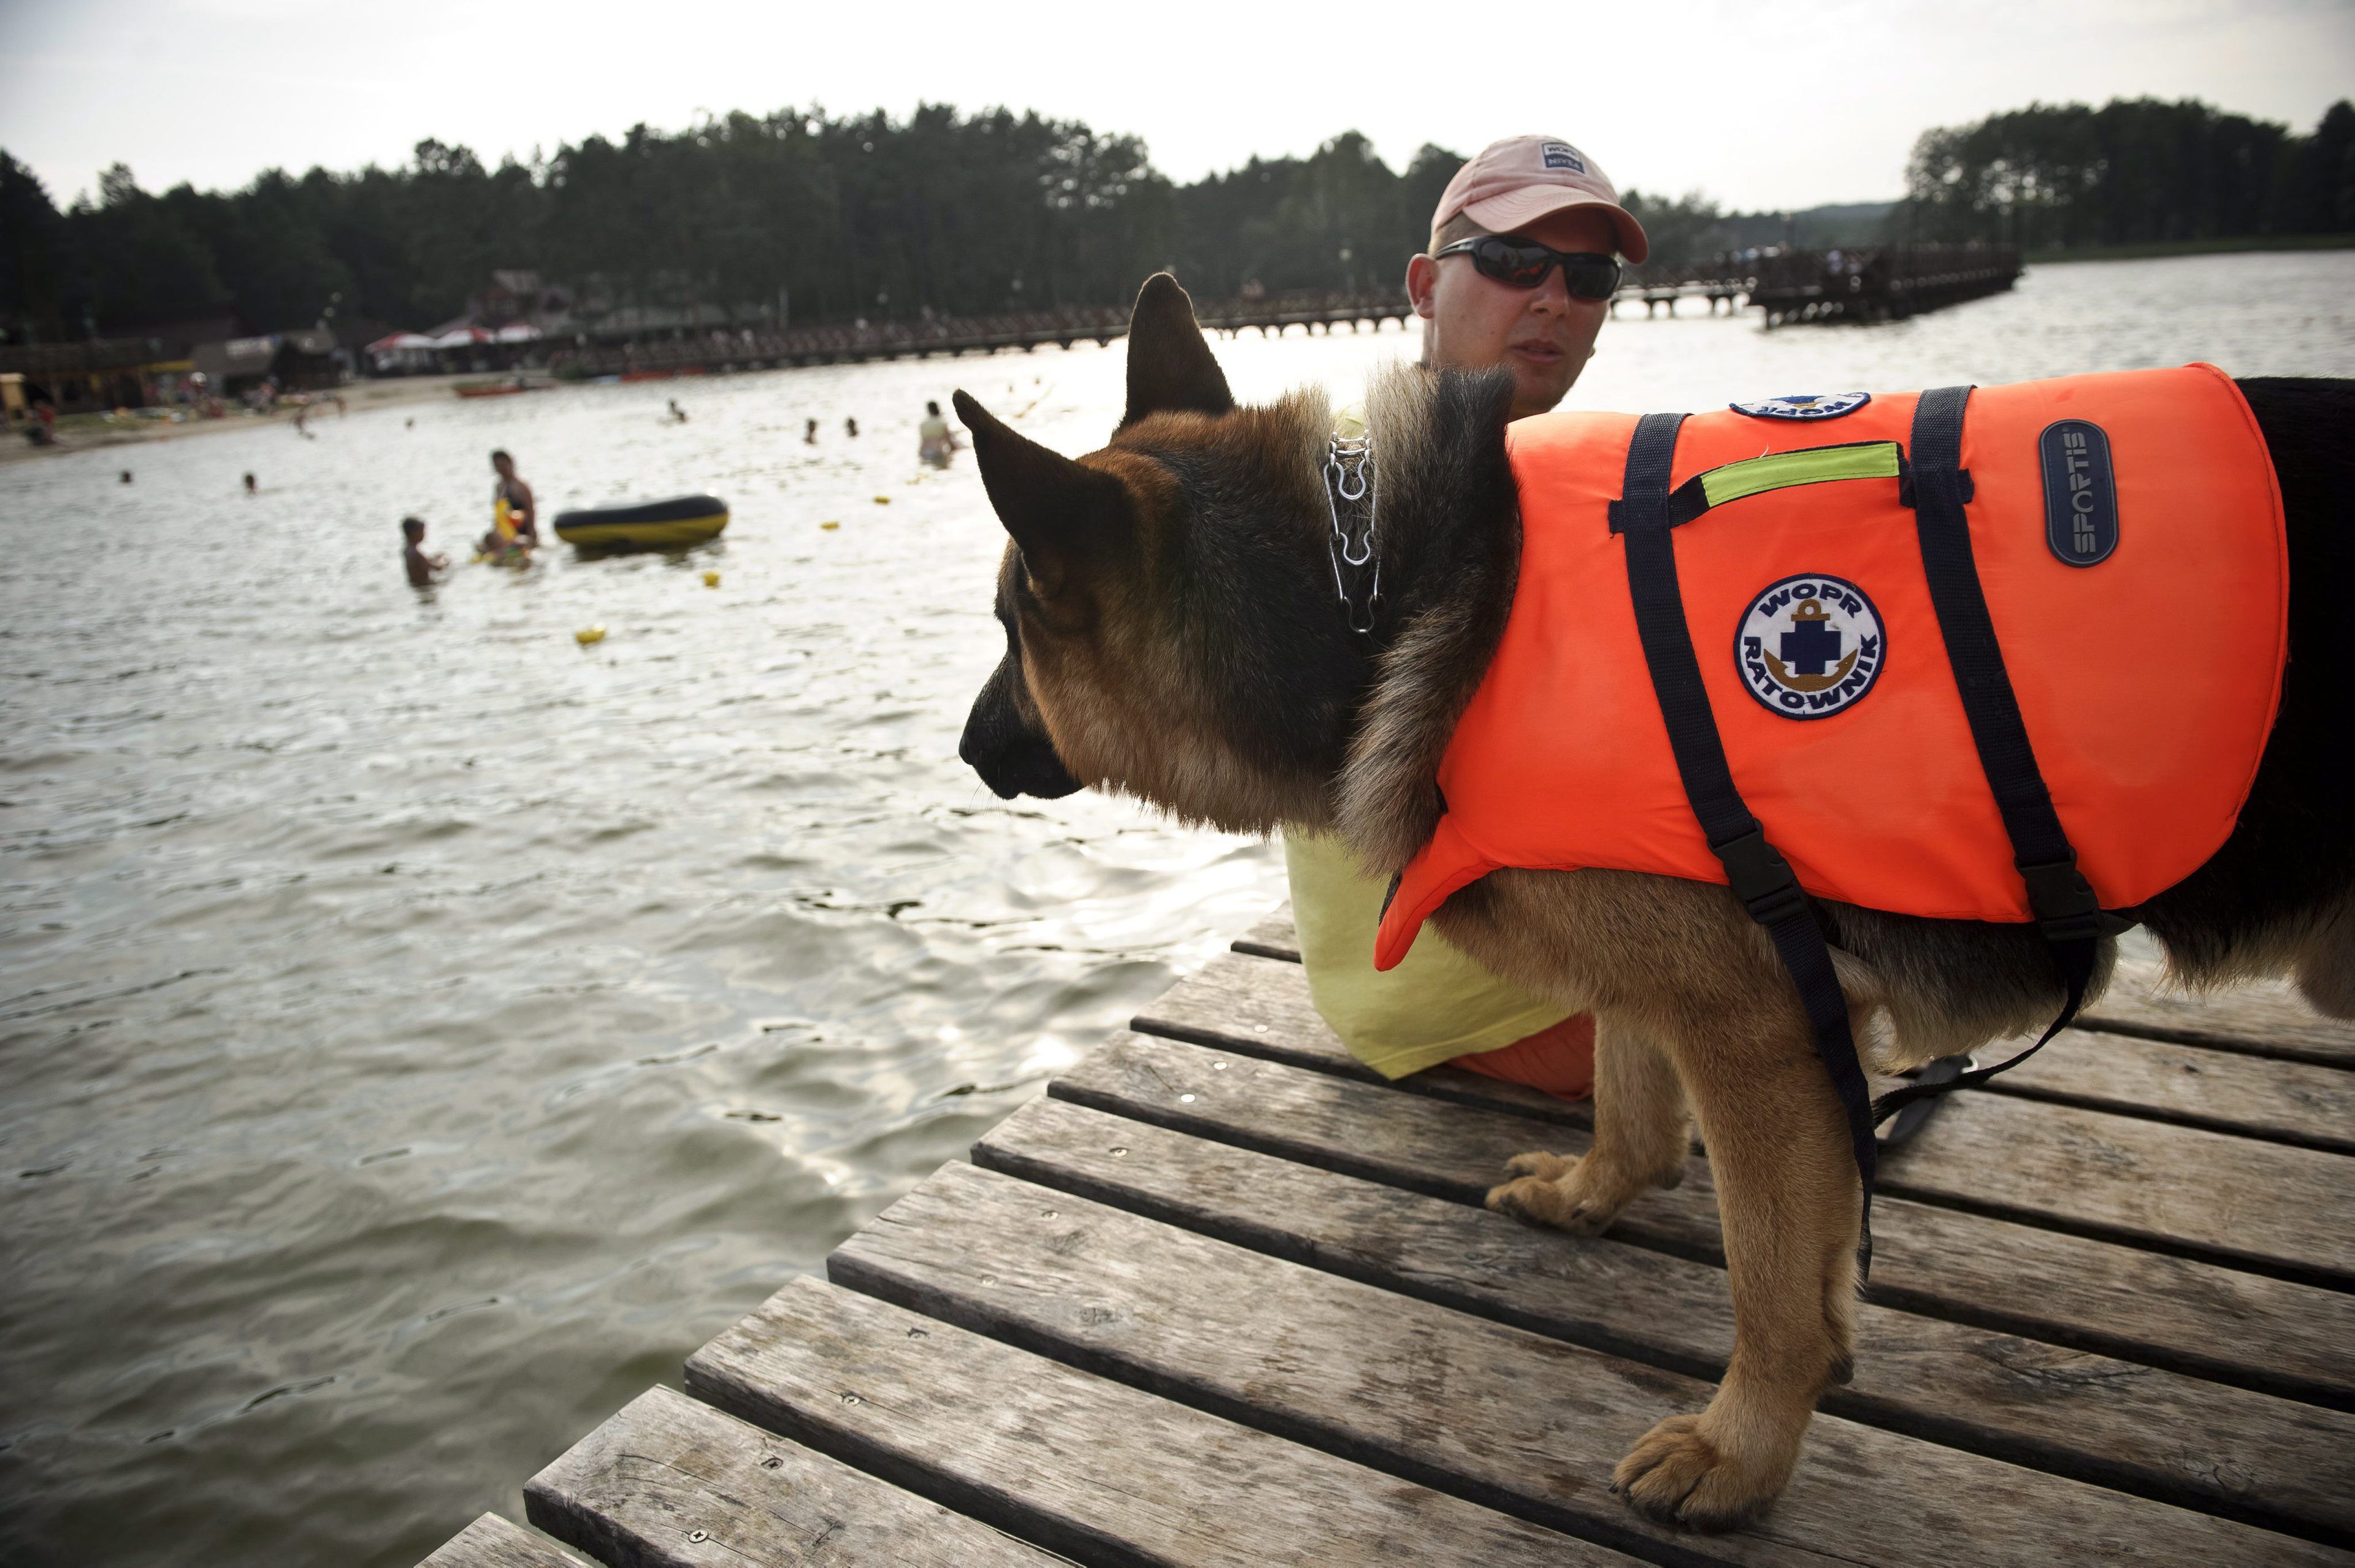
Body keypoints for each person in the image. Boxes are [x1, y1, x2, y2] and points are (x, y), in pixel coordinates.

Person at [1286, 134, 1648, 1104]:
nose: (1553, 299)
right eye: (1511, 260)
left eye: (1588, 277)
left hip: (1435, 972)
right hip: (1485, 996)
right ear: (1423, 285)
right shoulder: (1365, 493)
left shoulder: (1543, 474)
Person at [480, 448, 537, 558]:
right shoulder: (499, 487)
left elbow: (531, 511)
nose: (501, 469)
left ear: (511, 463)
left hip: (520, 533)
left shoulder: (521, 486)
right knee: (485, 541)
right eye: (497, 466)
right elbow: (498, 515)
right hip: (504, 534)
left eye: (503, 465)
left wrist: (532, 535)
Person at [402, 516, 448, 586]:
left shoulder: (407, 550)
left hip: (416, 585)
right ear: (414, 533)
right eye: (422, 531)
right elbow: (437, 568)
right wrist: (444, 560)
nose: (424, 534)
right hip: (425, 585)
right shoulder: (416, 553)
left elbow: (422, 563)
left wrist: (434, 558)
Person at [917, 399, 962, 467]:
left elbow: (923, 441)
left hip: (923, 453)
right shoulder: (942, 423)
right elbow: (950, 443)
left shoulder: (923, 424)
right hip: (937, 453)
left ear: (929, 410)